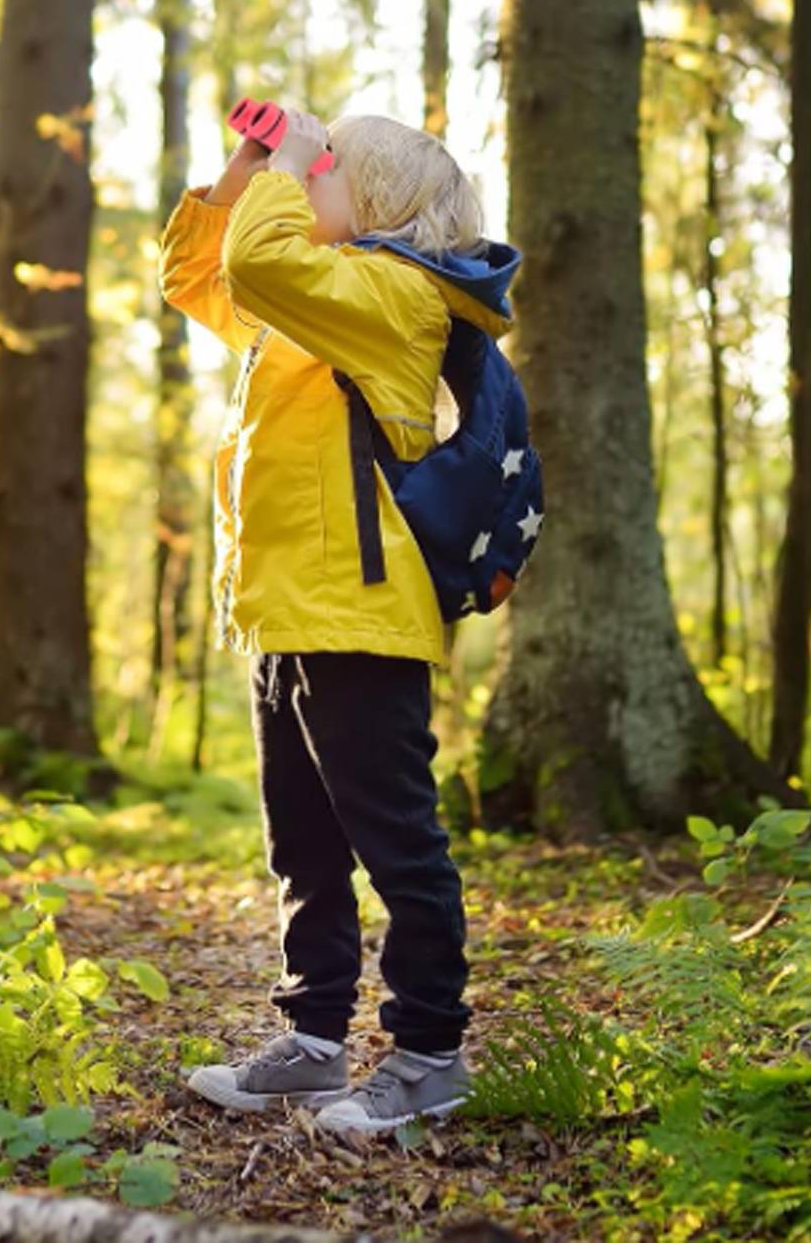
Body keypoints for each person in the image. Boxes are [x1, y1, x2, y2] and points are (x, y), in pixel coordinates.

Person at [157, 107, 520, 1136]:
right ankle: (313, 1041)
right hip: (288, 610)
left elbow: (262, 266)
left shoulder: (395, 295)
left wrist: (298, 159)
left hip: (360, 611)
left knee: (396, 842)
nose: (299, 179)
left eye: (323, 172)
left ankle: (428, 1056)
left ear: (378, 202)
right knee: (305, 845)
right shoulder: (315, 302)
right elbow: (203, 279)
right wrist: (246, 167)